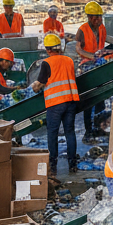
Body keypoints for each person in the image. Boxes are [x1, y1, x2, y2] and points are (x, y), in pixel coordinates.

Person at [30, 33, 80, 173]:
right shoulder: (69, 60)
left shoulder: (47, 63)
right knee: (70, 132)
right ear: (60, 47)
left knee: (52, 133)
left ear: (48, 49)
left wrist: (33, 87)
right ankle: (72, 165)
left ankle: (52, 165)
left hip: (55, 103)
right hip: (70, 101)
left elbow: (40, 83)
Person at [76, 1, 108, 144]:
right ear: (89, 17)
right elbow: (78, 49)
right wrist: (92, 56)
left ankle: (99, 128)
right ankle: (88, 131)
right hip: (86, 66)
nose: (99, 20)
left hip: (99, 66)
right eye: (96, 17)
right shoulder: (82, 30)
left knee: (101, 99)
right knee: (88, 101)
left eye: (100, 17)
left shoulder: (102, 28)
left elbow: (102, 45)